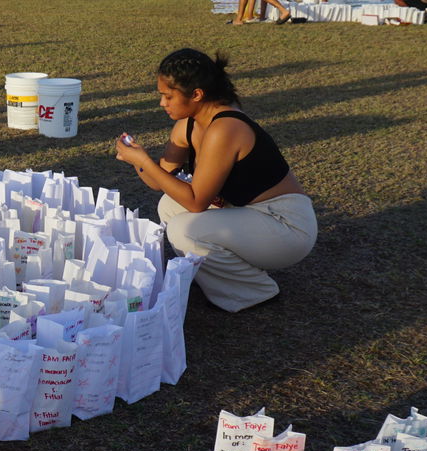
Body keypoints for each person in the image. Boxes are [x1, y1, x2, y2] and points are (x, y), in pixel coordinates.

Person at [113, 48, 315, 311]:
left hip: (286, 225)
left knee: (184, 229)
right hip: (249, 212)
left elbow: (196, 202)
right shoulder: (187, 125)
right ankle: (216, 274)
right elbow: (158, 181)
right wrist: (137, 161)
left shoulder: (225, 127)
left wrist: (143, 162)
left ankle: (253, 291)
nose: (162, 103)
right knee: (169, 205)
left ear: (197, 94)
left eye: (168, 96)